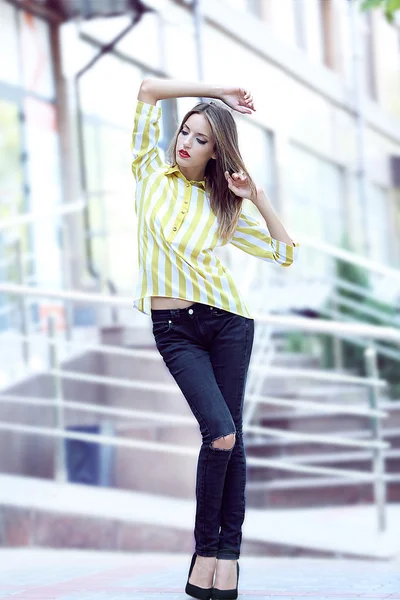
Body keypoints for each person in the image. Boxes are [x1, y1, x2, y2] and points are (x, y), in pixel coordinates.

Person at [131, 77, 299, 600]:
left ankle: (224, 560)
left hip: (228, 322)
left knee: (234, 441)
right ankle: (208, 550)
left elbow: (285, 252)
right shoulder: (147, 173)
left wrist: (258, 197)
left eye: (202, 138)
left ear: (216, 151)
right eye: (185, 130)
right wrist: (218, 92)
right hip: (174, 329)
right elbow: (147, 90)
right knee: (220, 433)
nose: (186, 142)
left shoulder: (224, 206)